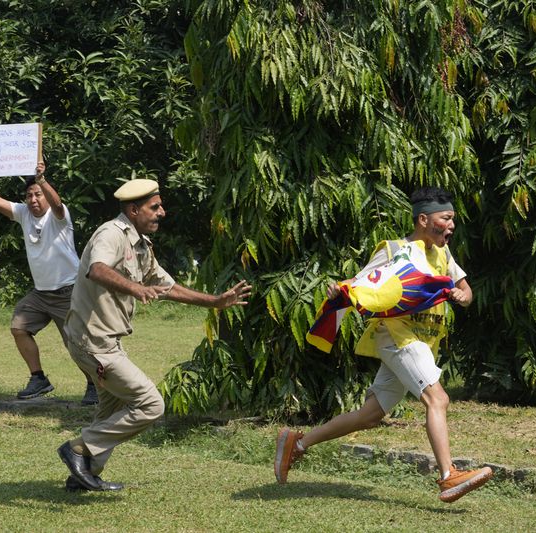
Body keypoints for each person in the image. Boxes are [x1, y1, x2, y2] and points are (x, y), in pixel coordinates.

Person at [274, 187, 493, 503]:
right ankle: (449, 476)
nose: (452, 225)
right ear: (423, 219)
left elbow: (466, 290)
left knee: (370, 416)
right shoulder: (395, 251)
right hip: (398, 336)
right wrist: (340, 291)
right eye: (446, 218)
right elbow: (363, 284)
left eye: (452, 219)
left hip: (422, 342)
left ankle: (298, 443)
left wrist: (462, 296)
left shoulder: (444, 255)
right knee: (438, 399)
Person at [57, 178, 252, 491]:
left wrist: (215, 302)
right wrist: (135, 287)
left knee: (113, 409)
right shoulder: (111, 233)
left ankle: (83, 475)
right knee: (150, 404)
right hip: (93, 343)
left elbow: (168, 287)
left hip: (107, 342)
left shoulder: (141, 245)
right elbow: (97, 269)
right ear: (134, 210)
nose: (162, 212)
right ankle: (77, 449)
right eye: (155, 207)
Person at [0, 160, 97, 403]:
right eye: (29, 195)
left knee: (75, 343)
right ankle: (39, 379)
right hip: (40, 294)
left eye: (38, 194)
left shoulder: (59, 216)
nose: (34, 199)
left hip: (68, 291)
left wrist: (42, 179)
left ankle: (94, 385)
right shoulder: (24, 214)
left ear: (46, 194)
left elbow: (57, 204)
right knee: (19, 327)